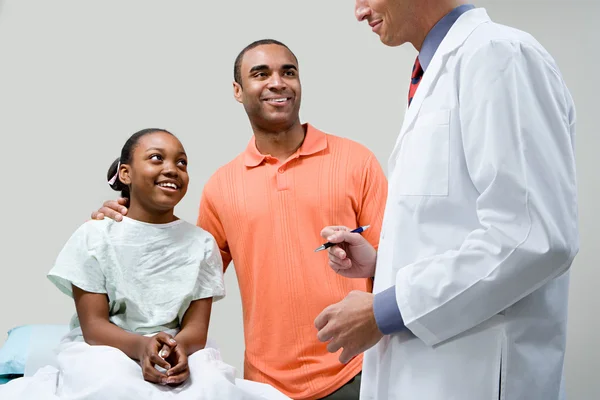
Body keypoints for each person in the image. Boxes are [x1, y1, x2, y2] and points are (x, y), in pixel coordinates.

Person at [92, 40, 388, 400]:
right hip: (264, 387)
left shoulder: (357, 161)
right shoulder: (221, 186)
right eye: (260, 74)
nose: (277, 82)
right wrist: (123, 221)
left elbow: (394, 261)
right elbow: (181, 280)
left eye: (288, 72)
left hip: (358, 370)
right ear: (238, 90)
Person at [315, 2, 578, 399]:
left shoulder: (498, 56)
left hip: (475, 377)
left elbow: (532, 237)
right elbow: (455, 223)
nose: (359, 9)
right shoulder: (440, 69)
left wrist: (384, 310)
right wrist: (383, 262)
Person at [0, 128, 287, 399]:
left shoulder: (201, 244)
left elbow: (196, 330)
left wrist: (176, 350)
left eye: (182, 162)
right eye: (156, 158)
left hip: (177, 347)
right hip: (107, 348)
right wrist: (141, 347)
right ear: (126, 173)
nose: (172, 168)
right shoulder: (94, 235)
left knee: (212, 388)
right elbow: (94, 326)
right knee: (113, 386)